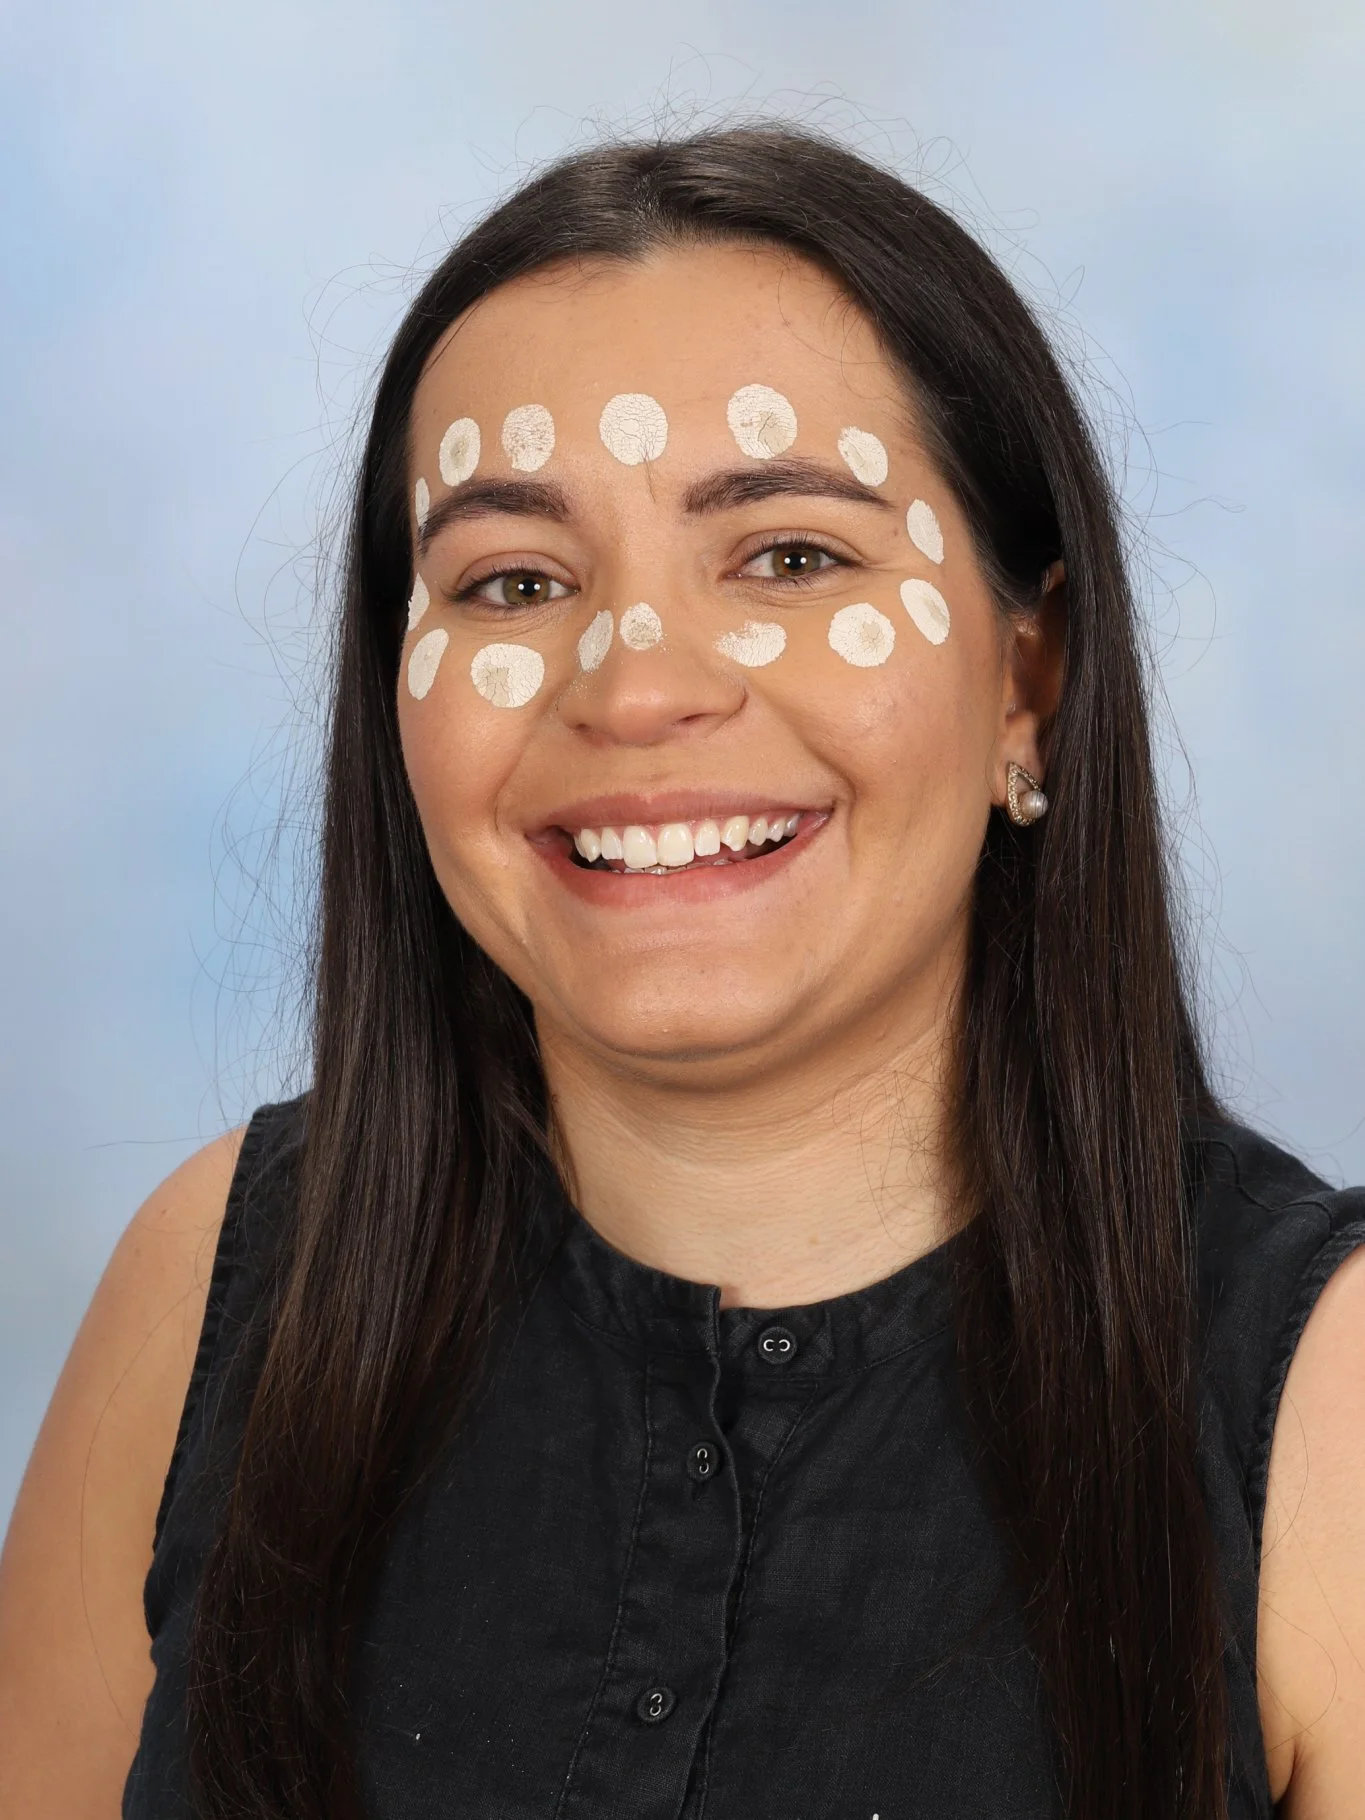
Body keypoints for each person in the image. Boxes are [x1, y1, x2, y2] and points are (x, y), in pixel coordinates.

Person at [1, 125, 1362, 1820]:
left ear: (1032, 679)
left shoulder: (1330, 1407)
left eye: (790, 557)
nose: (637, 690)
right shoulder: (214, 1288)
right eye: (513, 581)